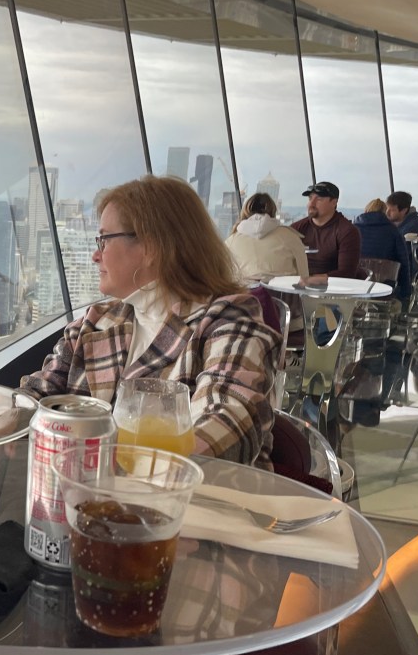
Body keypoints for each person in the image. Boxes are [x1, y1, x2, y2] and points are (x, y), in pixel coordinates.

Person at [17, 175, 280, 469]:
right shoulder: (95, 323)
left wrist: (100, 463)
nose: (95, 255)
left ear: (151, 247)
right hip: (83, 502)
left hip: (194, 507)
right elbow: (38, 394)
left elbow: (226, 426)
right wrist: (7, 419)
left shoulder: (228, 322)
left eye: (103, 239)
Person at [224, 192, 307, 282]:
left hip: (244, 293)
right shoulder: (290, 236)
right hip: (282, 294)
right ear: (273, 211)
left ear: (245, 211)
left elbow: (225, 276)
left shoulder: (231, 241)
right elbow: (304, 276)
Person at [291, 181, 361, 278]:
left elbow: (347, 273)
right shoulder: (296, 229)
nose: (311, 204)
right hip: (298, 285)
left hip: (332, 290)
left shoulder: (347, 231)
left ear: (334, 202)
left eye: (319, 199)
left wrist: (311, 280)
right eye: (310, 198)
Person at [353, 198, 411, 299]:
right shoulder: (394, 232)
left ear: (366, 210)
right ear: (385, 212)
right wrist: (405, 292)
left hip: (356, 282)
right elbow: (403, 262)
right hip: (384, 285)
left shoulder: (352, 230)